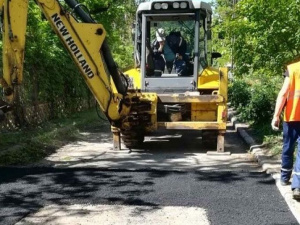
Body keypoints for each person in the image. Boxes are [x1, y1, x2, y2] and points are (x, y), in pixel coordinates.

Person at [271, 61, 300, 199]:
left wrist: (276, 115)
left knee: (288, 147)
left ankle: (284, 177)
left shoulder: (293, 69)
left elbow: (283, 94)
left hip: (292, 117)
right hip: (292, 117)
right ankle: (298, 185)